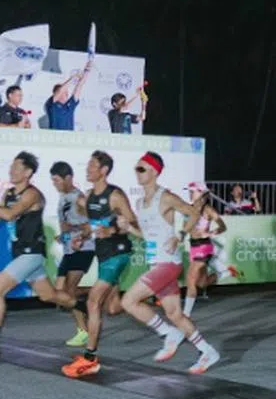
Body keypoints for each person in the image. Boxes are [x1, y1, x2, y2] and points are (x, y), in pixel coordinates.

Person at [0, 152, 86, 361]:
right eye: (11, 167)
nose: (11, 171)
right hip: (22, 254)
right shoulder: (9, 193)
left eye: (16, 168)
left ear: (28, 172)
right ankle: (83, 306)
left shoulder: (33, 194)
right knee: (48, 296)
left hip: (32, 254)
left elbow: (11, 214)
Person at [120, 152, 220, 373]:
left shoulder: (165, 197)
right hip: (156, 263)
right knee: (175, 314)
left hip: (168, 264)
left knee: (128, 301)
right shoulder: (140, 202)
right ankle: (207, 351)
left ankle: (168, 333)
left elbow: (193, 213)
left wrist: (181, 235)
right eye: (136, 168)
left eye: (142, 169)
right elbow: (147, 236)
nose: (137, 172)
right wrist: (129, 229)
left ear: (154, 172)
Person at [61, 151, 141, 378]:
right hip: (103, 254)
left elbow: (133, 223)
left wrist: (113, 230)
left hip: (118, 252)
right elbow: (91, 226)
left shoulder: (114, 195)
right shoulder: (89, 197)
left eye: (92, 165)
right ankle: (141, 298)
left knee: (93, 302)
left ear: (104, 170)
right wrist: (81, 237)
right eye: (88, 165)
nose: (88, 169)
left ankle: (90, 358)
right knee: (113, 307)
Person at [49, 161, 96, 347]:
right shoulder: (62, 197)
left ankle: (83, 330)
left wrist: (74, 228)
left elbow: (92, 223)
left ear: (68, 178)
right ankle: (97, 293)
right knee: (60, 294)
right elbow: (68, 224)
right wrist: (63, 235)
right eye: (53, 181)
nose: (55, 184)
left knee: (69, 291)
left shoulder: (79, 198)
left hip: (83, 248)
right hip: (69, 249)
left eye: (57, 180)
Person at [184, 182, 228, 316]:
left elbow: (222, 226)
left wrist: (211, 233)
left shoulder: (208, 209)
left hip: (204, 246)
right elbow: (186, 227)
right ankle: (223, 273)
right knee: (202, 284)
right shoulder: (188, 208)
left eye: (193, 191)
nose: (190, 193)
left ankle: (185, 314)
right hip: (193, 246)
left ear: (202, 193)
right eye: (189, 191)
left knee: (190, 279)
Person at [45, 60, 93, 131]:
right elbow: (60, 91)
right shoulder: (51, 104)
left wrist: (87, 70)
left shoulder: (70, 105)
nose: (67, 94)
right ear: (56, 93)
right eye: (65, 92)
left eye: (67, 92)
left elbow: (80, 85)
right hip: (55, 138)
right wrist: (73, 77)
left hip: (69, 139)